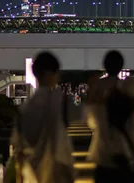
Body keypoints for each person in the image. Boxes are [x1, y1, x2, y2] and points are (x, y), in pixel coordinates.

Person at [11, 51, 80, 183]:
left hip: (33, 174)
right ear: (50, 73)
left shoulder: (23, 109)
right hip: (58, 171)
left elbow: (19, 149)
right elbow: (85, 115)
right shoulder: (61, 101)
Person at [87, 50, 134, 183]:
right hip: (126, 168)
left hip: (104, 167)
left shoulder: (101, 114)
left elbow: (88, 115)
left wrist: (92, 92)